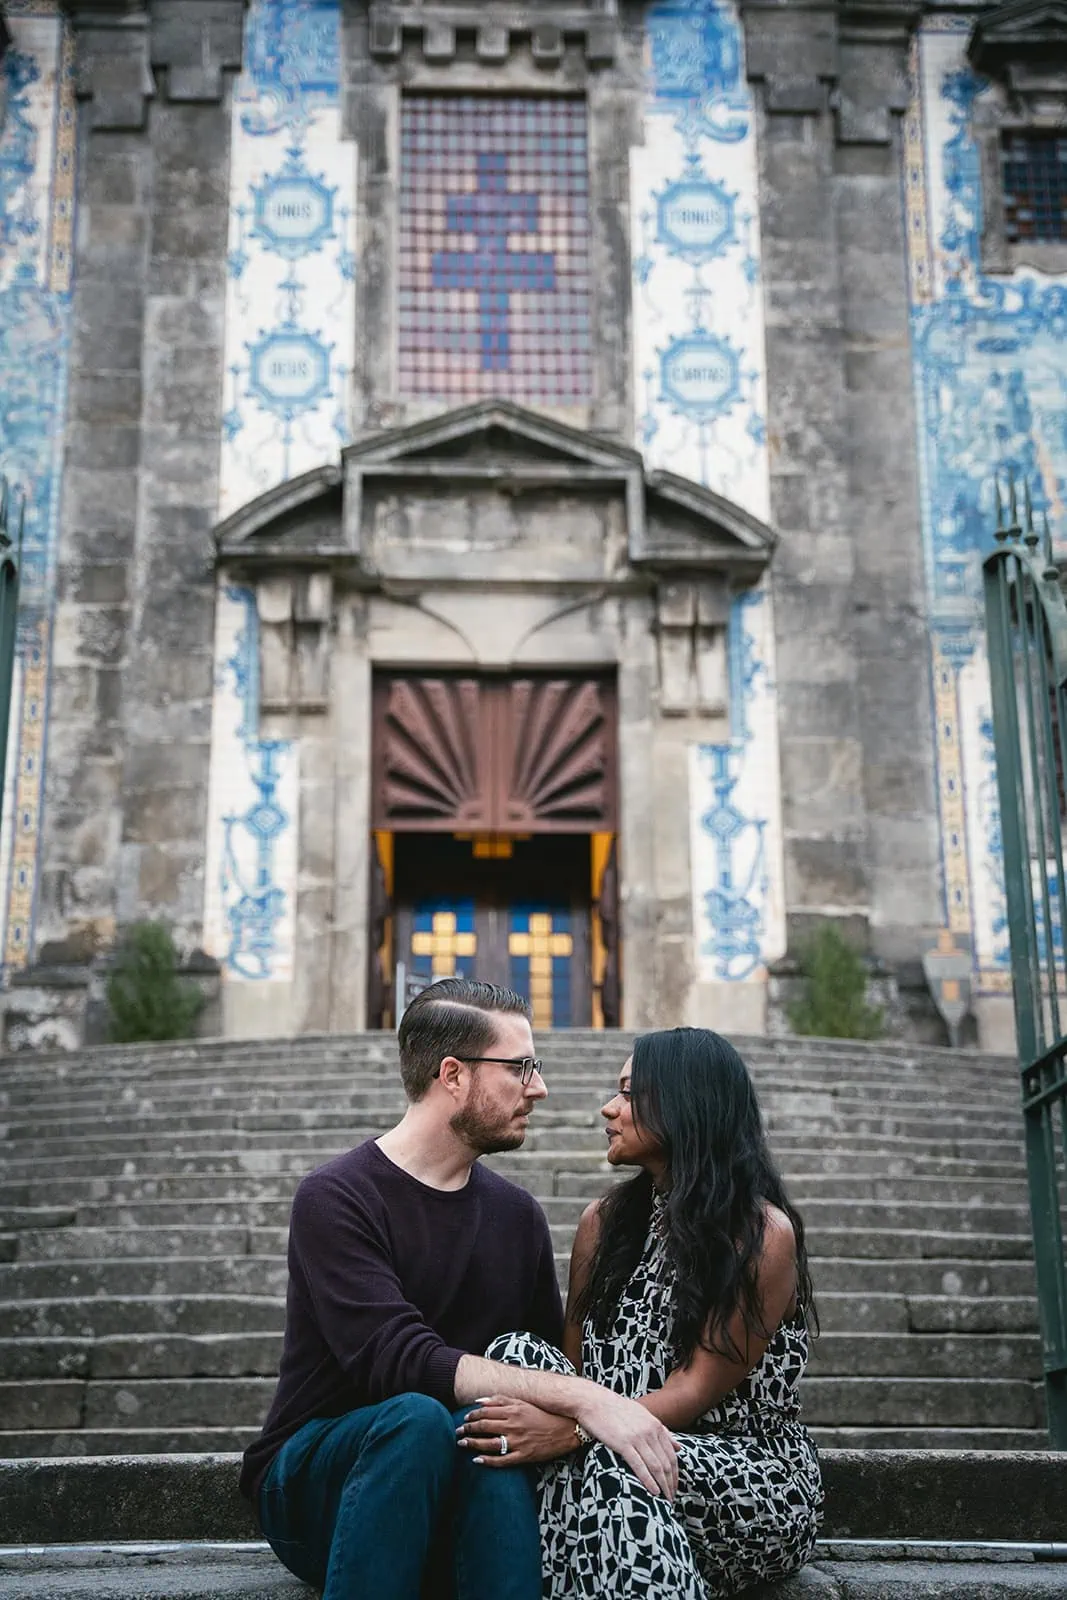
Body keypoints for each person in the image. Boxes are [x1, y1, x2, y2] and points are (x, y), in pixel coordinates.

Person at [239, 978, 681, 1600]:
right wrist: (588, 1398)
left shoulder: (517, 1216)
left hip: (463, 1485)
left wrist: (563, 1412)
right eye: (520, 1068)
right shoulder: (337, 1197)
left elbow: (535, 1363)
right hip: (322, 1484)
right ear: (452, 1074)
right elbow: (397, 1360)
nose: (539, 1088)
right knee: (418, 1418)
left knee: (487, 1428)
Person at [456, 1027, 824, 1598]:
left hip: (741, 1474)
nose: (609, 1108)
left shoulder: (759, 1235)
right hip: (607, 1448)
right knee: (517, 1354)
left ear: (685, 1104)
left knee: (618, 1460)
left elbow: (693, 1391)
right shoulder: (602, 1224)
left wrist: (577, 1430)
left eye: (628, 1093)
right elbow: (575, 1369)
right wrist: (581, 1423)